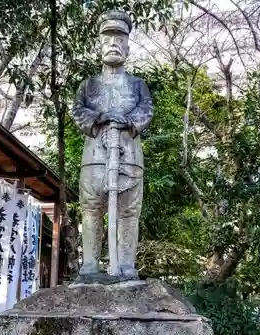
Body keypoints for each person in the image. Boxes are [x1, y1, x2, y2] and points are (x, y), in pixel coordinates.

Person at [72, 10, 153, 278]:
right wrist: (100, 118)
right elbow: (78, 111)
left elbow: (146, 110)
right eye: (108, 39)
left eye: (120, 39)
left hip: (129, 155)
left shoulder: (138, 84)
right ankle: (91, 265)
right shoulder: (87, 85)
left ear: (128, 47)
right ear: (98, 45)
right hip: (95, 155)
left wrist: (127, 121)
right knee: (91, 209)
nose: (114, 44)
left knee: (129, 212)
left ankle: (126, 266)